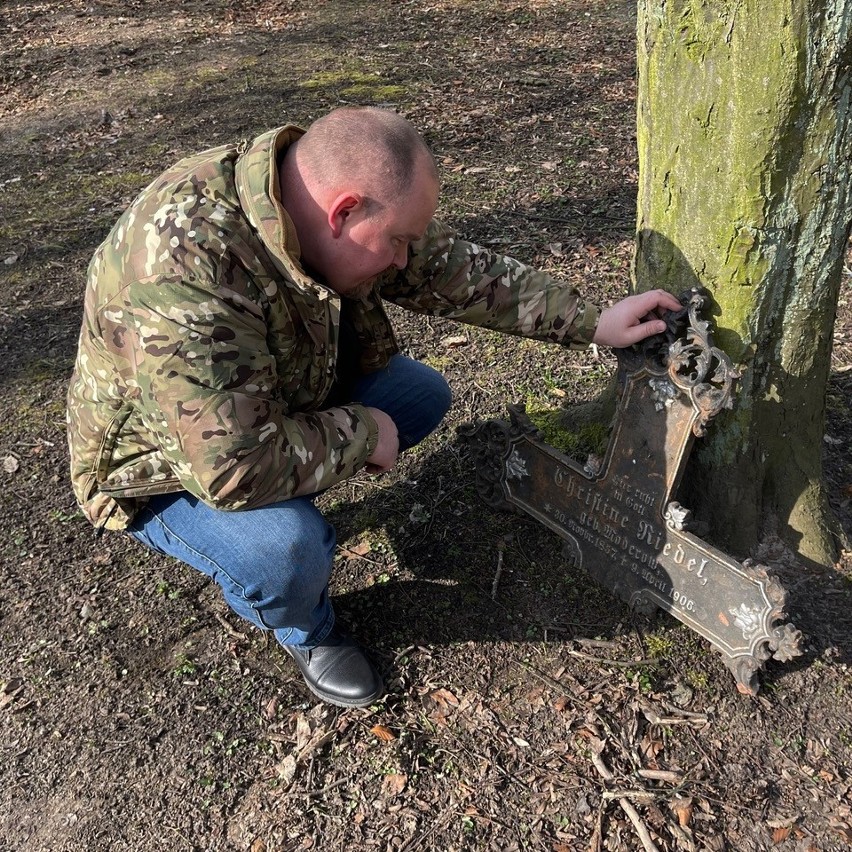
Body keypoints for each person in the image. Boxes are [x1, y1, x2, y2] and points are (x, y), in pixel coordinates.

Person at [67, 107, 681, 708]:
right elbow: (230, 468)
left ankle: (300, 484)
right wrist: (359, 433)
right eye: (397, 242)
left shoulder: (306, 194)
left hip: (267, 398)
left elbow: (448, 268)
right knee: (286, 549)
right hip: (163, 468)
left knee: (420, 398)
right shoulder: (183, 277)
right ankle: (305, 629)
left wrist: (591, 323)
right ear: (345, 212)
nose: (403, 261)